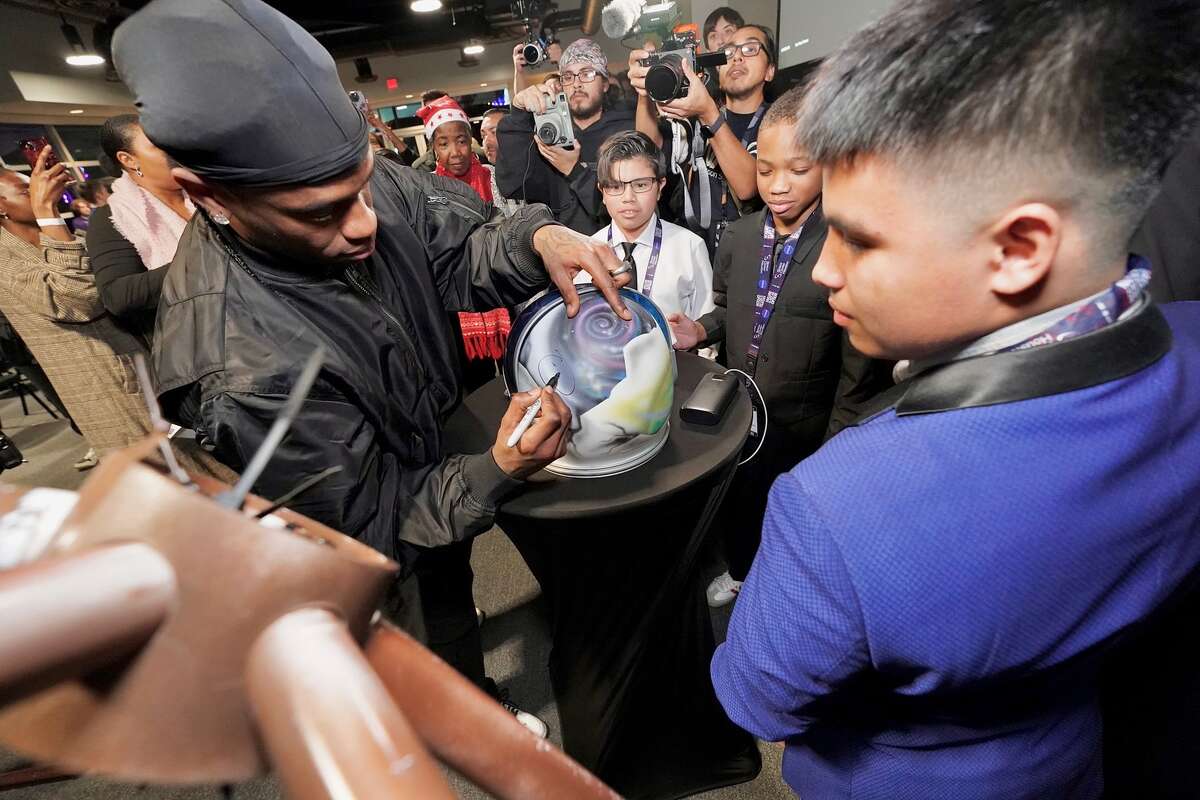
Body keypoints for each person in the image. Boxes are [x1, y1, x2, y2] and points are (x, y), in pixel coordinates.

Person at [709, 1, 1200, 798]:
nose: (826, 268)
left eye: (859, 238)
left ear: (1019, 250)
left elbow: (756, 697)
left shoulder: (841, 509)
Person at [113, 0, 631, 738]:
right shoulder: (242, 368)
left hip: (432, 434)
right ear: (209, 195)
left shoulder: (355, 184)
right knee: (417, 614)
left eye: (362, 184)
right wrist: (497, 468)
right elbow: (373, 527)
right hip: (368, 516)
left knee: (461, 577)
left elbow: (456, 243)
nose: (363, 221)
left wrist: (537, 238)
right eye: (322, 213)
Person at [669, 88, 886, 607]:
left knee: (797, 526)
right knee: (741, 505)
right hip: (741, 414)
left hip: (807, 429)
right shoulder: (739, 237)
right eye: (765, 171)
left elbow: (858, 369)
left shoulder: (842, 243)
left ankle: (791, 590)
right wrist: (701, 330)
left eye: (797, 168)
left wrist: (840, 445)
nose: (778, 186)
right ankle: (742, 570)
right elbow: (726, 306)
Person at [0, 153, 158, 470]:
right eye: (24, 190)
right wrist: (47, 213)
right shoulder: (5, 260)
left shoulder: (72, 236)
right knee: (171, 480)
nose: (36, 192)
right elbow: (78, 301)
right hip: (109, 388)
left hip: (149, 365)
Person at [629, 24, 776, 256]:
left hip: (752, 256)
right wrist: (646, 90)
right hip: (697, 253)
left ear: (770, 70)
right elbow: (645, 152)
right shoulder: (694, 115)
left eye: (750, 49)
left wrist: (708, 113)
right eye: (728, 52)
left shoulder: (778, 122)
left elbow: (748, 187)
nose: (736, 57)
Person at [496, 38, 636, 234]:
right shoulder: (550, 135)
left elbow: (632, 210)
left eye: (587, 74)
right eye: (568, 77)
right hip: (561, 256)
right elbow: (512, 186)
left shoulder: (628, 134)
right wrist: (518, 115)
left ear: (605, 83)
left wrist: (574, 171)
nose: (576, 84)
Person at [580, 131, 713, 330]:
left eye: (640, 185)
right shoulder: (585, 253)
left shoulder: (689, 246)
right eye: (615, 187)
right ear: (602, 193)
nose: (628, 197)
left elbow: (706, 326)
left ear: (660, 187)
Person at [86, 114, 194, 340]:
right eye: (160, 145)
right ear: (129, 159)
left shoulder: (209, 193)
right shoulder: (113, 217)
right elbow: (118, 295)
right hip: (198, 338)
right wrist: (207, 263)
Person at [412, 90, 488, 173]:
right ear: (433, 145)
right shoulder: (423, 172)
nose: (455, 153)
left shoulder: (488, 171)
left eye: (461, 141)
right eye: (444, 144)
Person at [479, 108, 524, 217]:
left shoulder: (535, 170)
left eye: (494, 132)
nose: (487, 142)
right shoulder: (485, 177)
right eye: (483, 135)